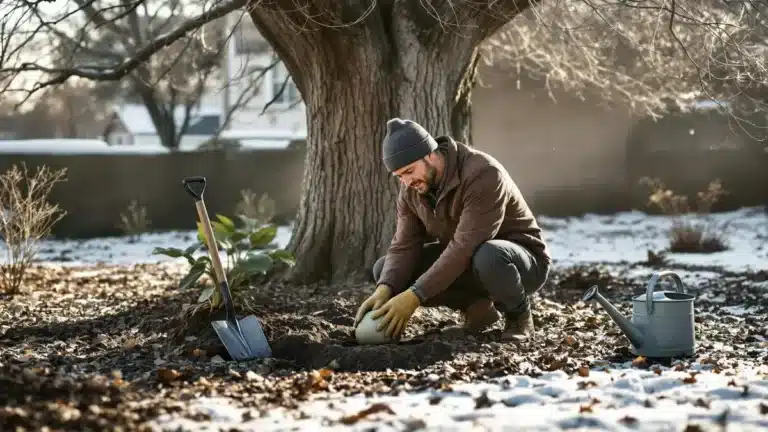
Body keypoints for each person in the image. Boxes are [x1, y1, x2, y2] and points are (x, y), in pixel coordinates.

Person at [353, 118, 551, 342]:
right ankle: (478, 311)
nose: (407, 182)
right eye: (399, 176)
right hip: (469, 261)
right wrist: (385, 289)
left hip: (520, 263)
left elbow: (465, 246)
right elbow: (404, 245)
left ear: (430, 154)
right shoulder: (411, 191)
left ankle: (519, 318)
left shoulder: (483, 174)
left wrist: (413, 296)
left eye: (409, 171)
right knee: (385, 270)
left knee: (488, 255)